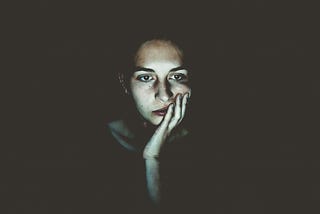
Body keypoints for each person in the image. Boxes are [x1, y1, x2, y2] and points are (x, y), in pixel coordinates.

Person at [96, 38, 197, 213]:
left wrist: (152, 158)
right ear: (124, 83)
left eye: (177, 76)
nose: (164, 96)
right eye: (146, 77)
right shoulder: (91, 143)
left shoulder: (212, 146)